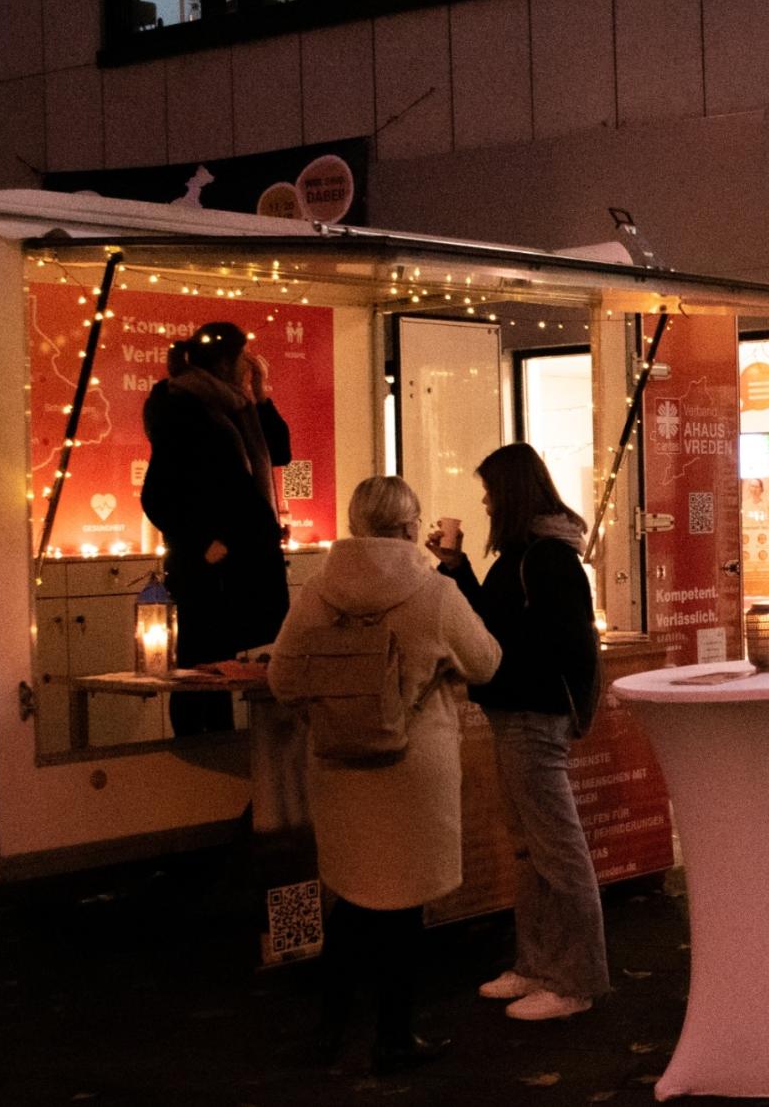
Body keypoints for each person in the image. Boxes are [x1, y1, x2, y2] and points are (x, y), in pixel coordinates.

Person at [268, 477, 500, 1072]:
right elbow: (487, 662)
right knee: (401, 906)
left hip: (338, 763)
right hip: (411, 766)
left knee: (354, 895)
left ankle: (330, 1029)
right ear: (407, 526)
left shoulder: (318, 592)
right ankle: (394, 1037)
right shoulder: (436, 593)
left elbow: (282, 680)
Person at [428, 442, 609, 1021]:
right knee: (531, 850)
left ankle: (576, 980)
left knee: (558, 852)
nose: (482, 501)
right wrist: (458, 570)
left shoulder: (546, 559)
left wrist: (571, 709)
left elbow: (559, 643)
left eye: (488, 490)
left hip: (533, 717)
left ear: (508, 493)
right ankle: (536, 966)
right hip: (520, 713)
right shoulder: (527, 555)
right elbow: (497, 627)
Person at [141, 321, 293, 734]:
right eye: (244, 359)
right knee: (202, 666)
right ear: (228, 360)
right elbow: (157, 493)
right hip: (213, 566)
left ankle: (228, 752)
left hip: (243, 558)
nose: (248, 366)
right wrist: (201, 543)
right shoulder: (182, 406)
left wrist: (261, 395)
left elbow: (280, 451)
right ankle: (200, 755)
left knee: (231, 666)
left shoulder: (236, 405)